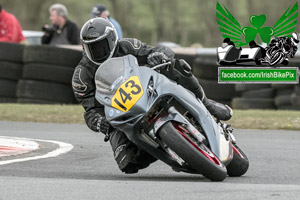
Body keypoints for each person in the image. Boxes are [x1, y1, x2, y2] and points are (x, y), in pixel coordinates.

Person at [72, 17, 232, 174]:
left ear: (112, 39)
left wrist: (158, 56)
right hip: (119, 113)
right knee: (127, 163)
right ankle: (170, 149)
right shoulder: (81, 76)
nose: (97, 51)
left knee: (177, 65)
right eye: (92, 47)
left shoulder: (128, 45)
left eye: (101, 45)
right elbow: (90, 110)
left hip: (148, 89)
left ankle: (206, 103)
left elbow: (162, 51)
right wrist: (101, 123)